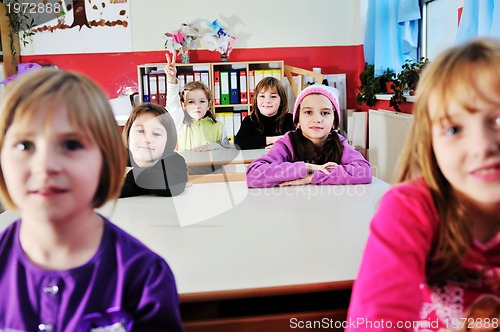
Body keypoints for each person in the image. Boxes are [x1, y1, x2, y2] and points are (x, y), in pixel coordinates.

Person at [0, 68, 183, 331]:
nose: (45, 165)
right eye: (24, 145)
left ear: (105, 158)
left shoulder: (143, 276)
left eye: (71, 145)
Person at [346, 38, 500, 331]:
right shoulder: (409, 209)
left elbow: (359, 171)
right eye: (453, 128)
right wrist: (307, 170)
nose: (481, 145)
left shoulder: (339, 143)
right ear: (429, 144)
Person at [246, 84, 372, 188]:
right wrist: (305, 167)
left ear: (334, 122)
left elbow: (364, 171)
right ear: (297, 121)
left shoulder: (339, 142)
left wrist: (312, 178)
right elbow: (254, 174)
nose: (317, 119)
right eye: (308, 112)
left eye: (325, 113)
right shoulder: (287, 142)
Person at [164, 53, 229, 152]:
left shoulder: (219, 127)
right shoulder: (180, 124)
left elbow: (227, 152)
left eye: (202, 101)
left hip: (211, 167)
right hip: (185, 167)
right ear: (184, 105)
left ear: (209, 105)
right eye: (191, 102)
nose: (197, 106)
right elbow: (173, 104)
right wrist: (171, 79)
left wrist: (211, 146)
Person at [120, 103, 188, 198]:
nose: (147, 139)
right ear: (128, 135)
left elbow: (174, 186)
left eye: (156, 134)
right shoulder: (118, 158)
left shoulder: (174, 160)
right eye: (140, 131)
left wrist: (133, 175)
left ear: (168, 140)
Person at [234, 77, 294, 150]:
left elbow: (299, 140)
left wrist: (280, 145)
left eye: (273, 96)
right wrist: (273, 140)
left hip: (283, 159)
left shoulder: (290, 119)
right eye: (262, 96)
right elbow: (239, 143)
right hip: (256, 159)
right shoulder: (249, 120)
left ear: (281, 101)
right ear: (256, 100)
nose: (267, 101)